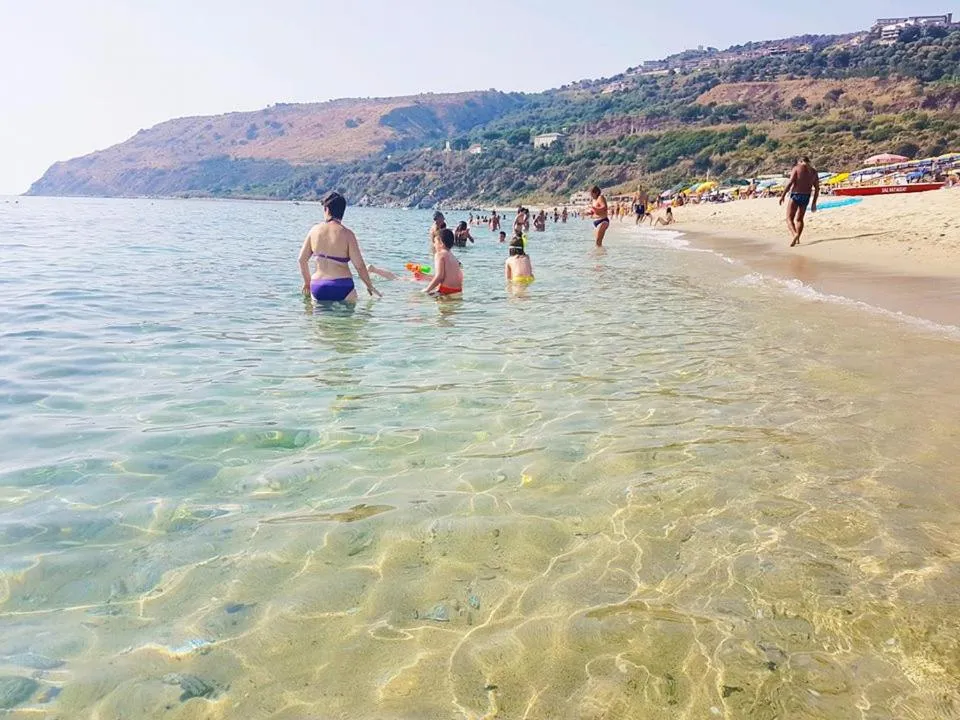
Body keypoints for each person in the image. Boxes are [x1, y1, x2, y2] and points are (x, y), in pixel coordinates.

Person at [298, 192, 380, 302]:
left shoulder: (314, 231)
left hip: (318, 286)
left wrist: (307, 283)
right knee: (350, 312)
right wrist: (369, 286)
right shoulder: (348, 234)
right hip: (342, 286)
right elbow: (360, 266)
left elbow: (302, 260)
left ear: (327, 209)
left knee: (318, 313)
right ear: (343, 211)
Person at [780, 156, 820, 247]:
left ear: (800, 161)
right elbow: (817, 188)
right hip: (806, 196)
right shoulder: (814, 171)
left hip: (796, 195)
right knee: (800, 219)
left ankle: (795, 234)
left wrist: (782, 195)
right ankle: (798, 238)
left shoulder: (797, 168)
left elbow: (790, 182)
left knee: (789, 218)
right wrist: (814, 203)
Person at [423, 228, 463, 296]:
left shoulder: (439, 254)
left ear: (441, 243)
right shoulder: (452, 256)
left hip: (445, 291)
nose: (434, 245)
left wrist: (427, 289)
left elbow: (439, 277)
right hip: (458, 290)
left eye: (435, 242)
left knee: (418, 296)